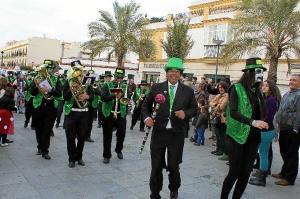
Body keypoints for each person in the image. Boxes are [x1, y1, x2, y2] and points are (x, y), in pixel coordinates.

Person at [142, 57, 197, 199]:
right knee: (156, 166)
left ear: (181, 74)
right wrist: (147, 118)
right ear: (166, 72)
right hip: (159, 132)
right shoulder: (156, 88)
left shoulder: (188, 91)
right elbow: (145, 105)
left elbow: (194, 109)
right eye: (171, 71)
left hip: (176, 134)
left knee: (174, 165)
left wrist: (185, 113)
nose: (174, 74)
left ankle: (174, 188)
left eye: (177, 71)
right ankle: (155, 193)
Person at [220, 58, 269, 199]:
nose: (260, 74)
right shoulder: (236, 88)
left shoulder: (258, 92)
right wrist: (253, 122)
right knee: (234, 172)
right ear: (248, 72)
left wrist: (263, 122)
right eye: (257, 71)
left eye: (261, 72)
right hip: (236, 135)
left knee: (245, 173)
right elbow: (233, 112)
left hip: (253, 137)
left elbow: (261, 112)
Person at [249, 79, 281, 186]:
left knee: (263, 154)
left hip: (266, 130)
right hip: (264, 129)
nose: (263, 87)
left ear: (271, 88)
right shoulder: (266, 98)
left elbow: (269, 116)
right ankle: (261, 173)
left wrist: (260, 124)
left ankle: (262, 179)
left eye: (266, 86)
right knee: (262, 153)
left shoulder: (271, 100)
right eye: (263, 85)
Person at [63, 61, 93, 168]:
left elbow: (92, 97)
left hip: (84, 114)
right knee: (70, 137)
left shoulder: (87, 81)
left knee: (82, 137)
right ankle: (71, 158)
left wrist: (87, 97)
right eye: (76, 70)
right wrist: (72, 90)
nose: (79, 73)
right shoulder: (68, 82)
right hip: (71, 113)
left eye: (80, 70)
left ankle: (79, 157)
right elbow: (64, 97)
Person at [31, 60, 62, 160]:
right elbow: (32, 93)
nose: (47, 71)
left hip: (50, 107)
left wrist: (49, 90)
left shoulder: (56, 79)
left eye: (49, 69)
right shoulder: (36, 78)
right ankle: (40, 147)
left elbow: (59, 93)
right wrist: (37, 85)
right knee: (38, 128)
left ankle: (45, 151)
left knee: (47, 130)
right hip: (38, 107)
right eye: (45, 69)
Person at [273, 74, 300, 186]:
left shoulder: (299, 94)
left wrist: (296, 129)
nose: (291, 82)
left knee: (292, 153)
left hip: (292, 129)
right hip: (283, 128)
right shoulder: (287, 94)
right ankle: (284, 172)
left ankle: (289, 178)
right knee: (284, 152)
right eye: (290, 80)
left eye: (294, 80)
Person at [101, 67, 128, 164]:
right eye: (117, 77)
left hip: (121, 114)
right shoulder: (107, 85)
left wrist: (125, 97)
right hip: (109, 114)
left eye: (121, 78)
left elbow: (127, 98)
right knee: (107, 135)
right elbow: (103, 98)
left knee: (121, 135)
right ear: (114, 76)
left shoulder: (125, 86)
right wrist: (114, 95)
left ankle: (118, 149)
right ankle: (106, 155)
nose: (119, 80)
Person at [209, 81, 229, 157]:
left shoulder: (226, 95)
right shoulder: (218, 95)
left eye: (222, 87)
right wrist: (216, 105)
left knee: (221, 135)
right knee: (217, 134)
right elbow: (210, 103)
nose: (220, 89)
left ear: (225, 87)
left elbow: (221, 107)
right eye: (219, 87)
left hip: (222, 118)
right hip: (216, 116)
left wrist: (215, 105)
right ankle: (218, 149)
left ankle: (222, 150)